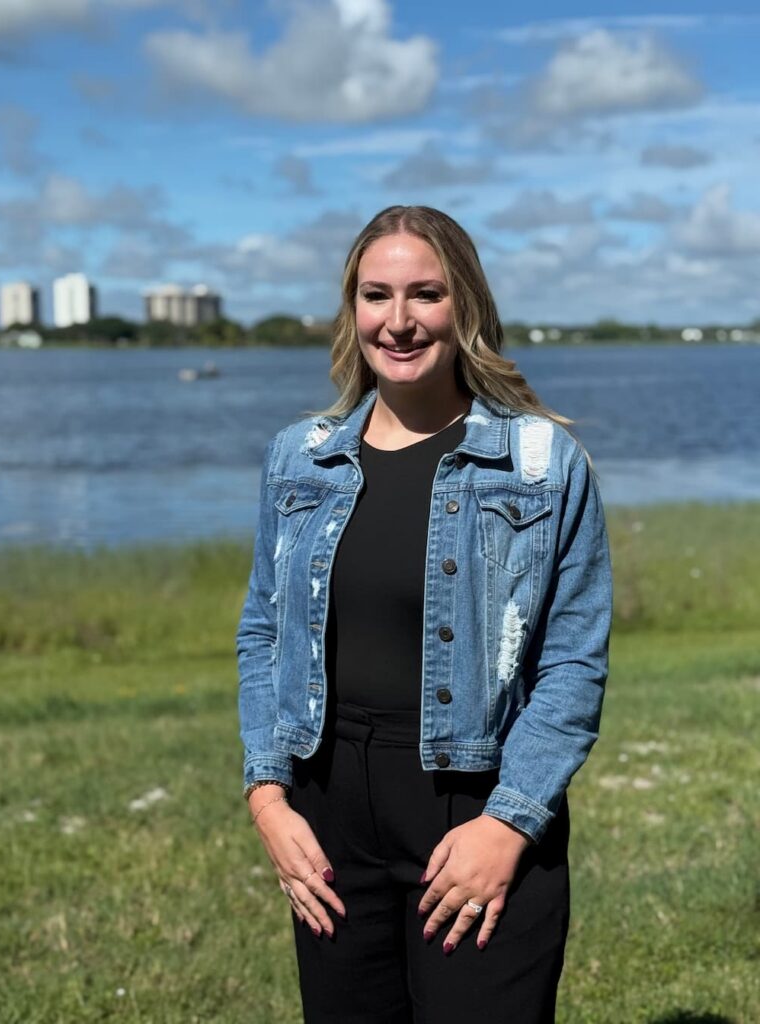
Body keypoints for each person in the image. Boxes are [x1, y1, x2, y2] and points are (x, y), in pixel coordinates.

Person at [236, 205, 612, 1023]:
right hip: (330, 806)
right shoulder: (299, 458)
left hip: (476, 805)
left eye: (426, 294)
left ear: (466, 306)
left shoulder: (544, 463)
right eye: (377, 295)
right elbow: (263, 629)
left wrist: (509, 825)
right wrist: (268, 798)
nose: (399, 321)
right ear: (353, 311)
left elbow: (573, 663)